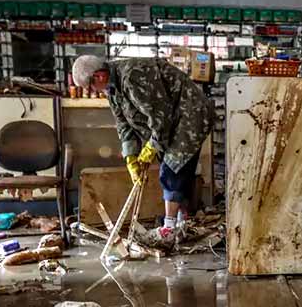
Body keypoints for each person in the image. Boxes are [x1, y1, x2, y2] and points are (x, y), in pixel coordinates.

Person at [72, 55, 214, 240]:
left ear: (98, 76)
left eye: (90, 87)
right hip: (170, 122)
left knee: (172, 167)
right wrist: (130, 157)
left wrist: (150, 148)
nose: (92, 91)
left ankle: (169, 228)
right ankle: (180, 220)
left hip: (189, 115)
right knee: (172, 165)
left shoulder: (132, 75)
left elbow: (160, 116)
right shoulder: (111, 88)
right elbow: (123, 123)